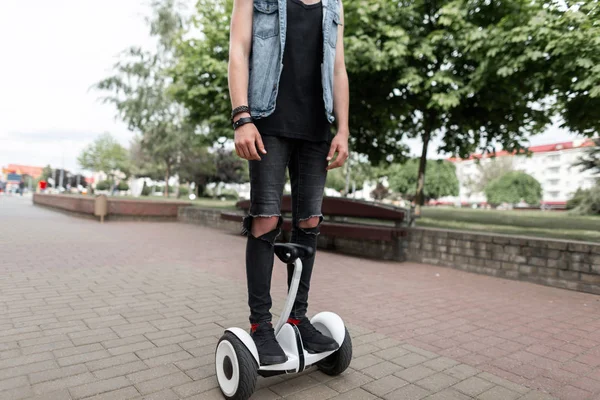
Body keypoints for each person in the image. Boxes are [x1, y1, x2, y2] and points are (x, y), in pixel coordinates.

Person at [228, 0, 350, 364]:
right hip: (267, 120)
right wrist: (241, 117)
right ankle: (260, 326)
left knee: (309, 222)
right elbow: (239, 48)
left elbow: (339, 68)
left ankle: (297, 318)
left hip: (317, 128)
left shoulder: (334, 4)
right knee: (266, 219)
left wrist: (343, 129)